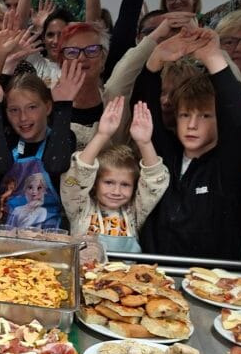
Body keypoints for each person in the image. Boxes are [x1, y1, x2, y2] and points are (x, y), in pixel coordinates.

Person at [133, 28, 241, 259]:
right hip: (156, 272)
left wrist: (212, 57)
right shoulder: (165, 153)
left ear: (220, 120)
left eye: (205, 116)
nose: (192, 125)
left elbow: (239, 124)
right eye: (185, 115)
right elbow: (143, 108)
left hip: (212, 276)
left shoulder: (227, 165)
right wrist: (157, 58)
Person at [60, 96, 169, 252]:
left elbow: (155, 180)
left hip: (127, 269)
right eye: (109, 182)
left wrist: (145, 143)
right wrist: (102, 135)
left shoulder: (135, 212)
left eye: (125, 185)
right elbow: (76, 176)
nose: (116, 191)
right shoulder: (81, 208)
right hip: (86, 267)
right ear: (95, 183)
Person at [0, 67, 82, 228]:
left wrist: (63, 106)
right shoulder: (8, 138)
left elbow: (55, 165)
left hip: (49, 236)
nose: (23, 117)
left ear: (48, 107)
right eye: (14, 110)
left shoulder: (63, 137)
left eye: (32, 107)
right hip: (3, 234)